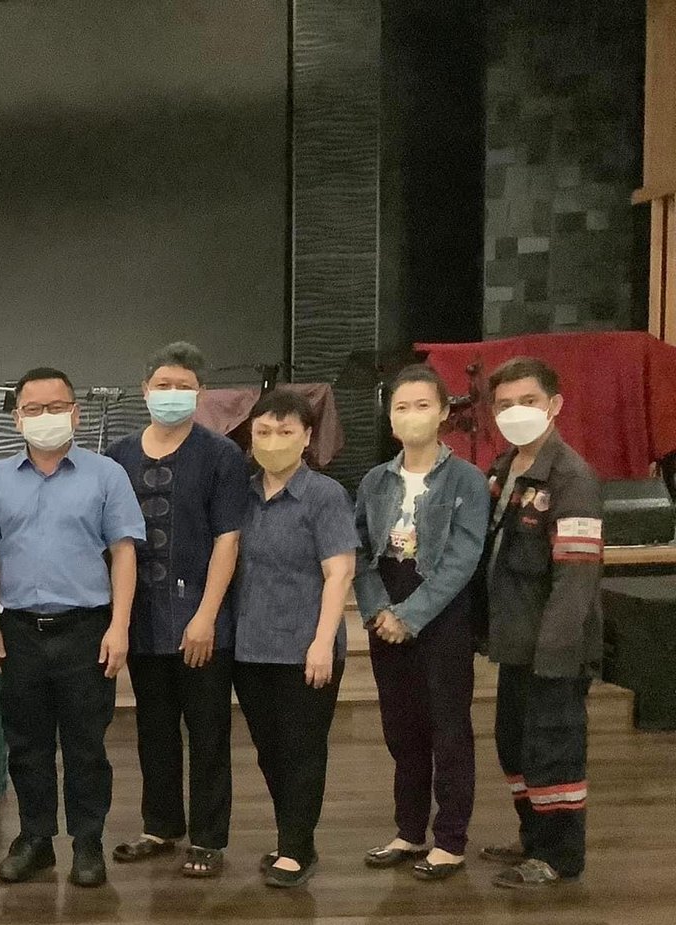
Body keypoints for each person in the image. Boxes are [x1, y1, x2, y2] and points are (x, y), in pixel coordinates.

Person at [0, 367, 145, 887]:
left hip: (87, 630)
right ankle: (35, 840)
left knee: (87, 746)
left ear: (75, 413)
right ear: (17, 418)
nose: (45, 417)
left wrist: (119, 626)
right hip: (19, 630)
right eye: (33, 409)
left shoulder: (106, 475)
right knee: (26, 745)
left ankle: (88, 843)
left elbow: (124, 552)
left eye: (55, 407)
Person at [106, 342, 247, 878]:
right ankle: (160, 825)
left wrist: (207, 614)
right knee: (154, 728)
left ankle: (208, 838)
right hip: (141, 618)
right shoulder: (118, 456)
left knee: (208, 731)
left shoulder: (221, 455)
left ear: (200, 392)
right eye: (162, 385)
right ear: (144, 390)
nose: (171, 394)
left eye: (183, 386)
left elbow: (228, 539)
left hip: (201, 616)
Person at [354, 366, 489, 880]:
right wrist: (377, 611)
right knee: (401, 727)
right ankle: (409, 831)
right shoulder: (375, 480)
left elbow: (462, 558)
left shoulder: (466, 479)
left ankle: (450, 840)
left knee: (448, 728)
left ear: (444, 413)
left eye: (423, 405)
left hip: (442, 612)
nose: (412, 416)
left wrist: (410, 616)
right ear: (390, 419)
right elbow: (361, 552)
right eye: (401, 407)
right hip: (385, 607)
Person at [477, 356, 603, 889]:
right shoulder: (505, 469)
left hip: (555, 647)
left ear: (554, 405)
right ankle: (533, 837)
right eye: (504, 404)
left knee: (554, 749)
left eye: (527, 401)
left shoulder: (571, 477)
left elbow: (576, 578)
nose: (515, 412)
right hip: (515, 639)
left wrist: (556, 653)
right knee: (515, 744)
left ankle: (559, 855)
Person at [232, 387, 357, 888]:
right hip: (250, 644)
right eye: (263, 431)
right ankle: (292, 835)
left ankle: (297, 848)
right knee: (269, 750)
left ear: (307, 437)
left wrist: (323, 642)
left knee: (302, 749)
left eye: (285, 431)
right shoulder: (241, 494)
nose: (273, 440)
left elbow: (339, 572)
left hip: (306, 647)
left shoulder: (324, 495)